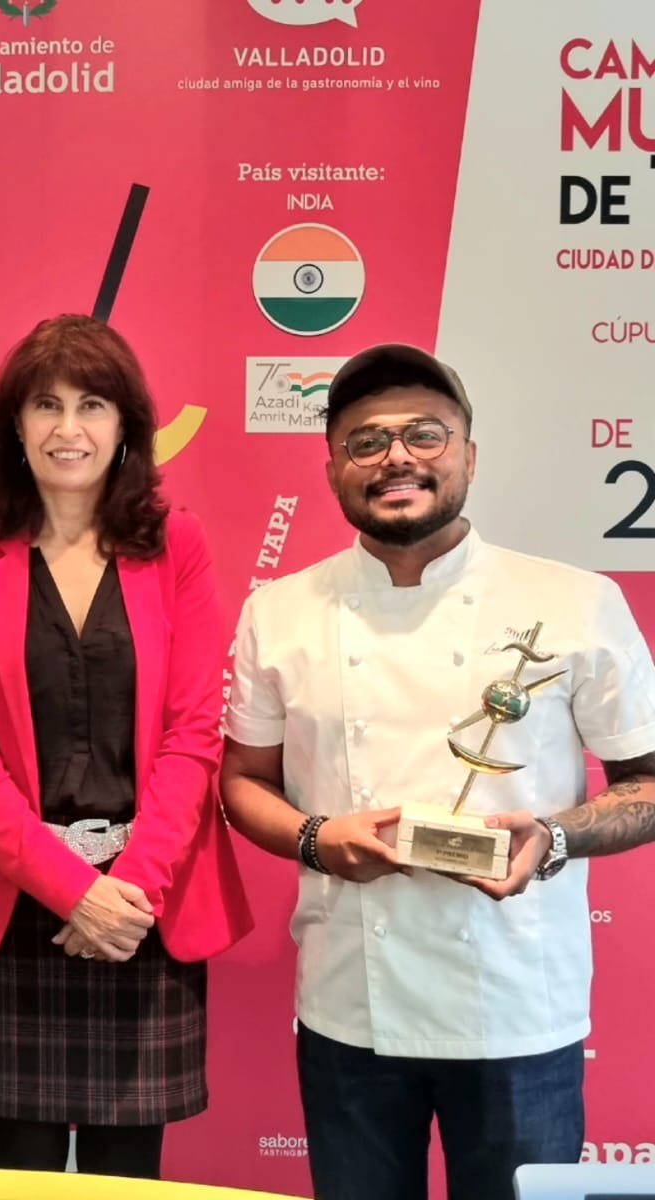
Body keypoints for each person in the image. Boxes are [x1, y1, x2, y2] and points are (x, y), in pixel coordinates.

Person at [220, 343, 655, 1200]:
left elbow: (648, 784)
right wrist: (316, 838)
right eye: (366, 441)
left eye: (425, 434)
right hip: (350, 1004)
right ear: (333, 468)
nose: (396, 458)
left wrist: (553, 837)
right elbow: (242, 782)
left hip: (518, 1005)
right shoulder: (279, 611)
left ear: (469, 455)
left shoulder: (575, 601)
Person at [0, 315, 253, 1178]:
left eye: (92, 405)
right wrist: (73, 891)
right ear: (14, 425)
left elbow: (194, 732)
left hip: (144, 906)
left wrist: (126, 892)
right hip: (19, 904)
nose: (67, 428)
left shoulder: (177, 547)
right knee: (19, 1176)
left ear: (126, 427)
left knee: (127, 1178)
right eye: (46, 405)